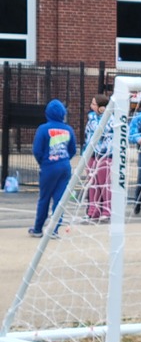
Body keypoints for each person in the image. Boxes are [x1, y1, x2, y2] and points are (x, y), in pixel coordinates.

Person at [29, 99, 77, 238]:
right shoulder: (68, 129)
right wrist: (65, 159)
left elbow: (37, 150)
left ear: (47, 113)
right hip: (64, 167)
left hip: (49, 167)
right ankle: (54, 229)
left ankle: (38, 229)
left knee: (44, 198)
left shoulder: (43, 129)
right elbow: (72, 149)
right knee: (59, 200)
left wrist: (43, 162)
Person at [84, 94, 114, 221]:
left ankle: (106, 211)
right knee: (92, 184)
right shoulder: (92, 118)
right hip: (92, 155)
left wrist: (97, 117)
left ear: (102, 107)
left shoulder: (110, 119)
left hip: (105, 155)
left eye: (94, 104)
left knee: (104, 185)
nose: (91, 106)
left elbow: (100, 131)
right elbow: (87, 137)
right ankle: (93, 211)